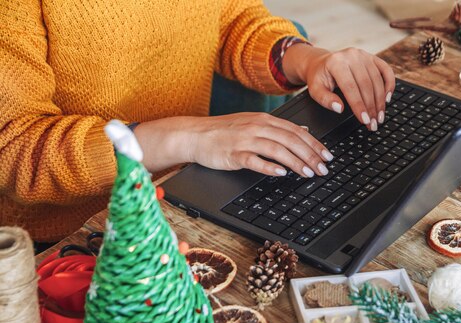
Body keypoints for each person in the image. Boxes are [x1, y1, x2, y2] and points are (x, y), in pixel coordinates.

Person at [0, 0, 395, 247]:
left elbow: (230, 19)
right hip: (71, 237)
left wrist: (308, 60)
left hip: (183, 194)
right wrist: (191, 136)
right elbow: (16, 149)